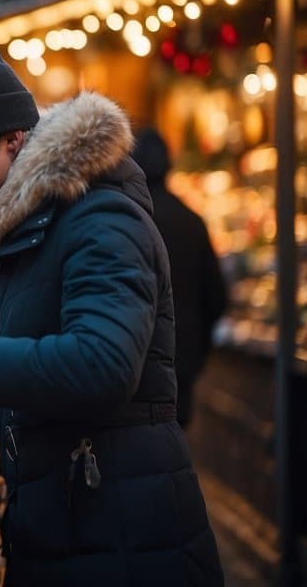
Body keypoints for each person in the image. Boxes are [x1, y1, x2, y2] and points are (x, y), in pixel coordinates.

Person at [0, 48, 222, 585]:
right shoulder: (29, 229)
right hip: (69, 525)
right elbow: (20, 371)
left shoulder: (100, 218)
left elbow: (100, 367)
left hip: (122, 537)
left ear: (12, 140)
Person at [131, 128, 227, 427]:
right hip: (182, 362)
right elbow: (218, 297)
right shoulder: (192, 221)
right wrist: (197, 353)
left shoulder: (126, 220)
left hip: (136, 365)